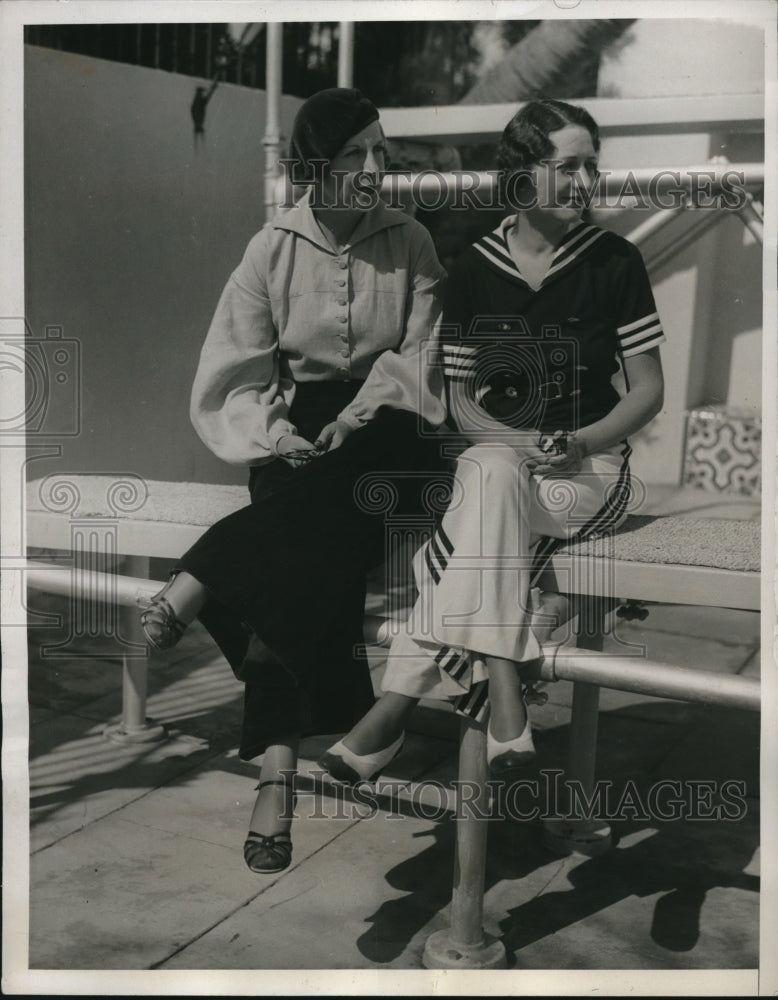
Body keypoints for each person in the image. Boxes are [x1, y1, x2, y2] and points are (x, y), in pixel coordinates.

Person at [139, 88, 450, 873]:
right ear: (317, 167)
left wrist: (354, 419)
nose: (377, 169)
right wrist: (277, 431)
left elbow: (421, 361)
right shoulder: (267, 250)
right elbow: (233, 370)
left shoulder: (413, 241)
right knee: (300, 555)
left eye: (383, 152)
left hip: (395, 435)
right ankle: (279, 780)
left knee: (301, 526)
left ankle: (199, 578)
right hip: (300, 435)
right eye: (358, 157)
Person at [318, 98, 665, 785]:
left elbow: (648, 390)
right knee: (490, 469)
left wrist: (579, 439)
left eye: (591, 167)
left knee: (460, 529)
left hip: (590, 470)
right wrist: (514, 443)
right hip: (504, 466)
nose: (585, 183)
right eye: (568, 167)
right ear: (522, 175)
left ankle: (396, 703)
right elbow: (465, 403)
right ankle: (505, 679)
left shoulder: (616, 262)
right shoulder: (476, 268)